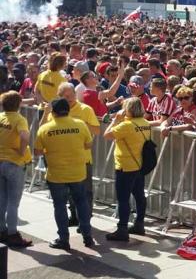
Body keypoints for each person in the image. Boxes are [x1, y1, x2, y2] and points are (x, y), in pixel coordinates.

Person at [34, 98, 94, 249]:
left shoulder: (45, 129)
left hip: (56, 174)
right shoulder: (80, 125)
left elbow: (37, 151)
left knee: (59, 206)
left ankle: (63, 239)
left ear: (53, 112)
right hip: (78, 172)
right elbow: (88, 144)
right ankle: (87, 236)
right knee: (81, 202)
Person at [103, 97, 150, 241]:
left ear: (128, 109)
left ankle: (122, 229)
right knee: (139, 195)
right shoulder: (145, 123)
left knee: (123, 198)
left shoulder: (126, 126)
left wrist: (115, 120)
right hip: (139, 165)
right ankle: (139, 224)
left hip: (125, 166)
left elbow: (107, 135)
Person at [0, 91, 32, 247]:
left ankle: (2, 230)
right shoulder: (19, 119)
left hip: (0, 161)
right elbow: (25, 137)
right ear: (18, 104)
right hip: (14, 163)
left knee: (2, 199)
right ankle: (12, 233)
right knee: (13, 201)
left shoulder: (0, 117)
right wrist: (21, 150)